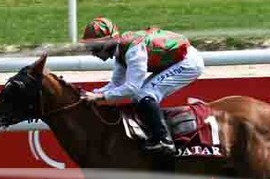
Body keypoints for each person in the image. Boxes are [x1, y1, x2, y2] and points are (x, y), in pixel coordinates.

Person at [79, 17, 205, 157]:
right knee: (139, 95)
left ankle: (163, 139)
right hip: (176, 59)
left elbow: (132, 87)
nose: (92, 52)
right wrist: (92, 94)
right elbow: (116, 84)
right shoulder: (121, 51)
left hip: (188, 63)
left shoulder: (133, 51)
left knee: (145, 94)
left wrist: (100, 97)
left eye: (94, 47)